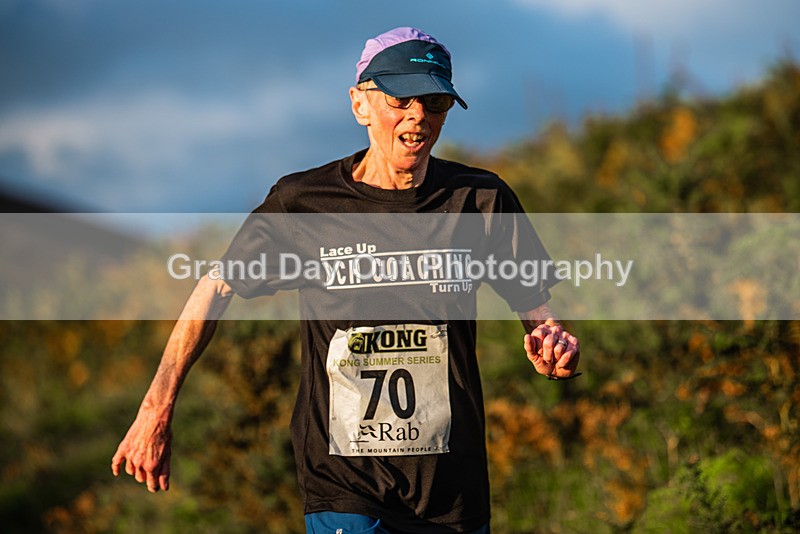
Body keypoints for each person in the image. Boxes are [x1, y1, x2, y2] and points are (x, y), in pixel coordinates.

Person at [112, 27, 580, 533]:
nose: (418, 116)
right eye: (400, 98)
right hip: (344, 485)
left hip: (453, 492)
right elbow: (215, 289)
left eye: (436, 101)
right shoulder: (304, 203)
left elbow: (538, 311)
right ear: (360, 103)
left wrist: (553, 347)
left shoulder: (481, 200)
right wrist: (155, 410)